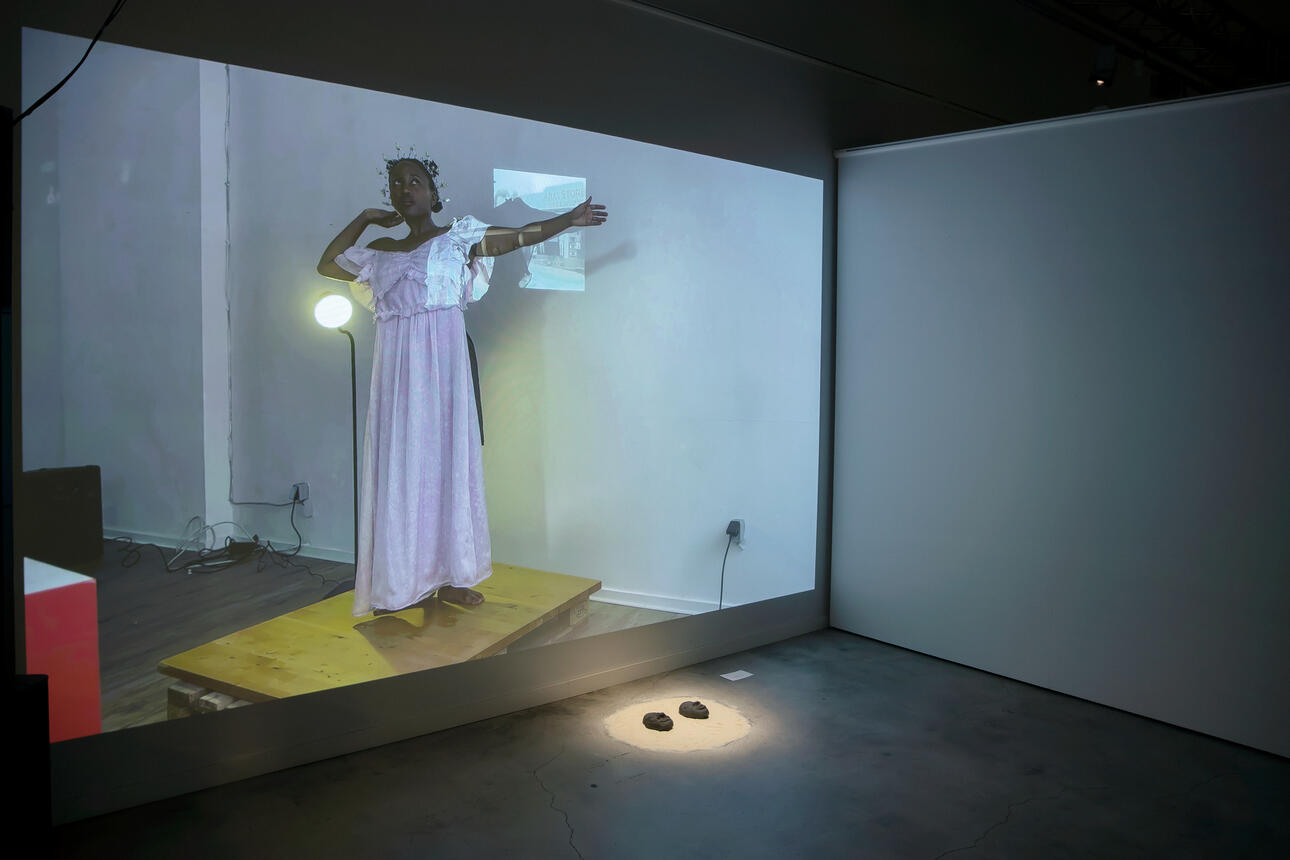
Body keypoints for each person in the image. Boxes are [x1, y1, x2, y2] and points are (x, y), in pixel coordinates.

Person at [317, 155, 608, 616]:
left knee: (447, 466)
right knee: (402, 469)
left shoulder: (459, 238)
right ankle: (401, 582)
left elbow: (519, 237)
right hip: (397, 377)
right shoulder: (381, 251)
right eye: (396, 183)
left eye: (415, 181)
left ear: (434, 193)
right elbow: (328, 264)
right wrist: (365, 218)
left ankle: (452, 577)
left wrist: (568, 220)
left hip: (444, 370)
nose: (405, 189)